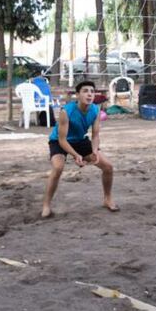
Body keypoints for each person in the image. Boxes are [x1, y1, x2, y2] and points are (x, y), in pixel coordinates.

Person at [42, 80, 117, 218]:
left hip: (80, 140)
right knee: (58, 167)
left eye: (92, 92)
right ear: (77, 95)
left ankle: (107, 199)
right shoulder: (66, 111)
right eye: (85, 91)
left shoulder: (95, 110)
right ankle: (46, 205)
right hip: (59, 141)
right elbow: (62, 140)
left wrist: (94, 151)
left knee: (108, 166)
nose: (89, 94)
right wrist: (76, 155)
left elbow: (95, 135)